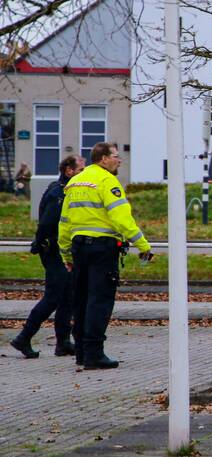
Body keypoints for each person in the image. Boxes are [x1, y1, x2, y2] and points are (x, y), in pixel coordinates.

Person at [58, 143, 153, 369]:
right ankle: (94, 354)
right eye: (116, 157)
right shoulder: (107, 181)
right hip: (102, 249)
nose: (119, 161)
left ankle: (80, 352)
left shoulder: (75, 182)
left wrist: (65, 254)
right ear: (103, 159)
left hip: (79, 247)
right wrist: (143, 244)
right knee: (99, 301)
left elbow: (64, 222)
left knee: (81, 300)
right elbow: (121, 218)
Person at [9, 155, 85, 358]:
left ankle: (63, 342)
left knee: (67, 296)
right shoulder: (59, 193)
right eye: (80, 170)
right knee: (53, 296)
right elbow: (47, 223)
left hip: (61, 250)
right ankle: (23, 337)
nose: (84, 174)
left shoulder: (66, 190)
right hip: (53, 251)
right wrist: (41, 243)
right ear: (69, 171)